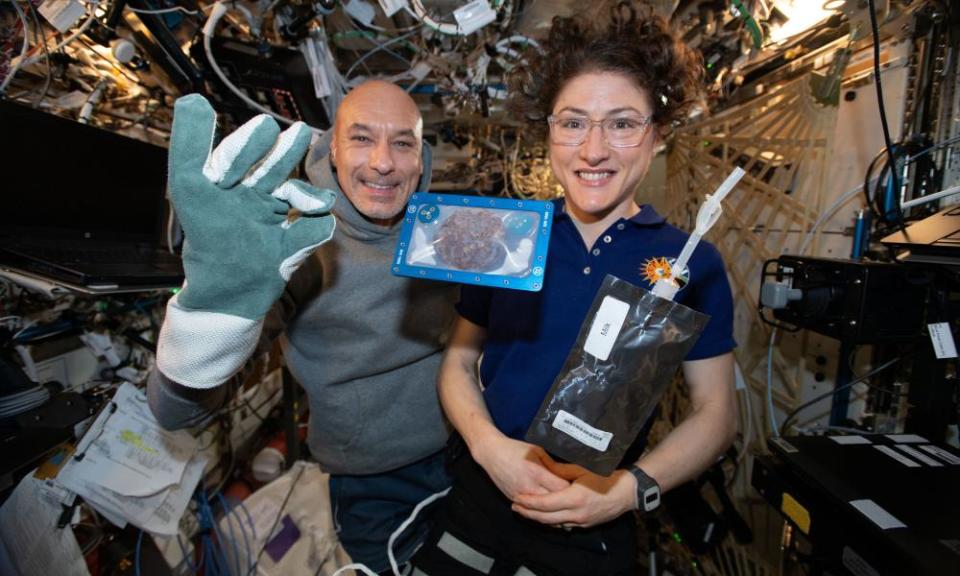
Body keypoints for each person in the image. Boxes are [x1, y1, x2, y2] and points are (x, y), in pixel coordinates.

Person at [411, 6, 738, 576]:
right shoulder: (503, 234)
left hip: (594, 522)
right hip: (479, 498)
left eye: (622, 123)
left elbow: (715, 414)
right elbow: (458, 364)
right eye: (573, 122)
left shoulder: (692, 265)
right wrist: (491, 450)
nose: (593, 150)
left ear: (656, 136)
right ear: (550, 133)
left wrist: (626, 492)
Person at [148, 80, 457, 572]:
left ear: (422, 160)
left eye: (403, 142)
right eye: (361, 138)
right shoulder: (295, 245)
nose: (383, 161)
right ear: (331, 150)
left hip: (463, 450)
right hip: (371, 480)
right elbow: (172, 414)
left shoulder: (449, 228)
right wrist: (209, 318)